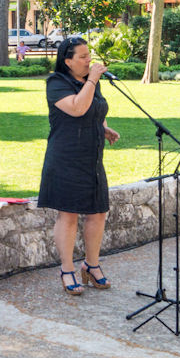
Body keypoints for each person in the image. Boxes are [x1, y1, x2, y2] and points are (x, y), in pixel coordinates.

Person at [37, 38, 120, 295]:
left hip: (92, 158)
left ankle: (91, 265)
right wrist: (93, 79)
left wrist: (103, 128)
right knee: (69, 214)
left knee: (98, 212)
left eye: (89, 55)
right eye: (83, 57)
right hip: (66, 158)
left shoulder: (91, 82)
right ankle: (67, 269)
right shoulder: (56, 83)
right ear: (68, 61)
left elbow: (94, 109)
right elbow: (76, 108)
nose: (89, 61)